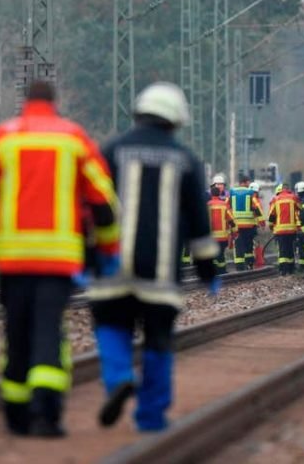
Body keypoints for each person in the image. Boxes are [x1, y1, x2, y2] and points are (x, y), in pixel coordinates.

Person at [0, 81, 119, 437]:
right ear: (54, 103)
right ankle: (46, 414)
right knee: (48, 330)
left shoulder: (3, 138)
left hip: (13, 260)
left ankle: (15, 414)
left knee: (16, 333)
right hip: (58, 261)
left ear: (26, 102)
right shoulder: (74, 139)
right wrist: (108, 250)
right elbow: (103, 200)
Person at [89, 82, 219, 433]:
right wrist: (208, 271)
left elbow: (90, 207)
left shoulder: (111, 151)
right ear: (176, 120)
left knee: (112, 326)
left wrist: (87, 259)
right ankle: (151, 416)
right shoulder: (187, 161)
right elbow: (198, 224)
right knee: (158, 342)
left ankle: (118, 378)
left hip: (112, 269)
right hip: (161, 276)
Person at [230, 176, 264, 271]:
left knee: (238, 245)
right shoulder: (250, 193)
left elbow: (226, 206)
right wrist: (262, 222)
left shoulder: (232, 192)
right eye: (248, 182)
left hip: (236, 225)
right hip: (249, 225)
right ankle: (249, 263)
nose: (249, 184)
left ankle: (239, 266)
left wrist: (229, 222)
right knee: (248, 245)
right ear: (244, 182)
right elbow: (257, 207)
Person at [269, 183, 301, 275]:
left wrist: (271, 226)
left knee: (282, 249)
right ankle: (291, 269)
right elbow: (300, 209)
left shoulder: (275, 199)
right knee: (291, 248)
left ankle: (283, 270)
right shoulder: (293, 198)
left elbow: (272, 214)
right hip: (292, 229)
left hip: (280, 230)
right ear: (288, 189)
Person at [208, 186, 236, 275]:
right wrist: (235, 230)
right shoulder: (224, 204)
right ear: (219, 194)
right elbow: (231, 219)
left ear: (211, 194)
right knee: (221, 254)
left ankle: (214, 271)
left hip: (210, 236)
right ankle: (222, 271)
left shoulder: (207, 205)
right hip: (222, 236)